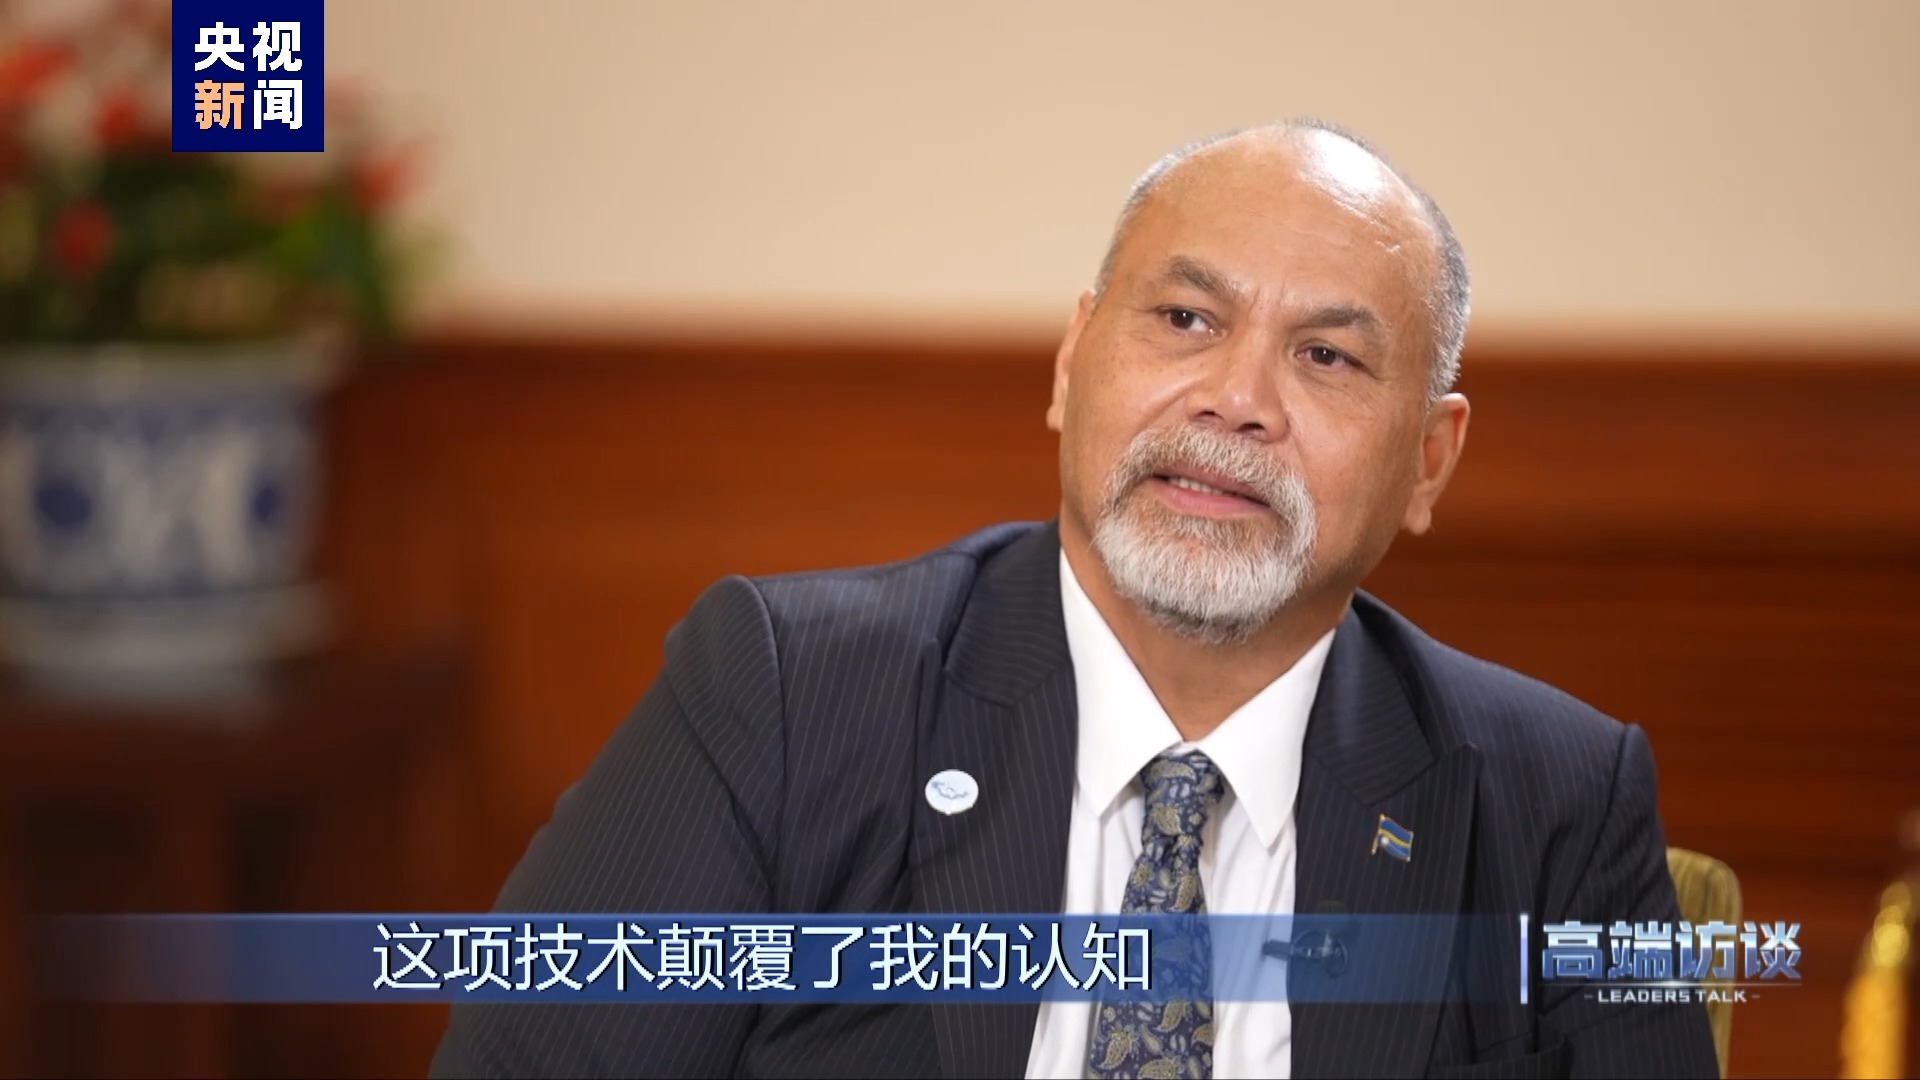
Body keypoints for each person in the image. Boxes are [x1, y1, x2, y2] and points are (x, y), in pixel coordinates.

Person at [431, 120, 1718, 1079]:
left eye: (1326, 356)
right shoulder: (779, 693)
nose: (1237, 400)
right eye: (1185, 319)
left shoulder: (1563, 801)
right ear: (1069, 363)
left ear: (1428, 461)